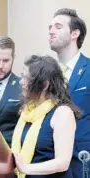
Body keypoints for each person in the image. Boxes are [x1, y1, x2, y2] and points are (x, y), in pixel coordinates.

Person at [12, 55, 80, 178]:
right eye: (22, 76)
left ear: (44, 85)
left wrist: (25, 168)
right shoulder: (27, 111)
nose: (21, 82)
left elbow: (62, 163)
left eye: (27, 79)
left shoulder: (62, 113)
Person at [49, 8, 90, 177]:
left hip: (81, 161)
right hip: (48, 160)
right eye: (49, 27)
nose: (51, 31)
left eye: (58, 27)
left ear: (75, 34)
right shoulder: (45, 73)